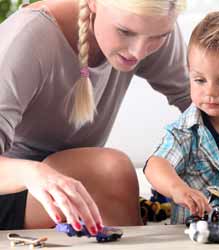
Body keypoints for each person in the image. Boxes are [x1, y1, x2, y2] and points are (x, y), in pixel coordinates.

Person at [0, 0, 190, 231]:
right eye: (124, 31)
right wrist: (32, 174)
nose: (138, 52)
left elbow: (202, 103)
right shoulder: (27, 38)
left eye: (159, 36)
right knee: (109, 170)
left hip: (64, 183)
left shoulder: (151, 21)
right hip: (14, 187)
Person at [144, 10, 219, 224]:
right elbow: (156, 164)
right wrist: (177, 189)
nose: (210, 92)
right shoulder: (185, 132)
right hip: (199, 234)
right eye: (200, 80)